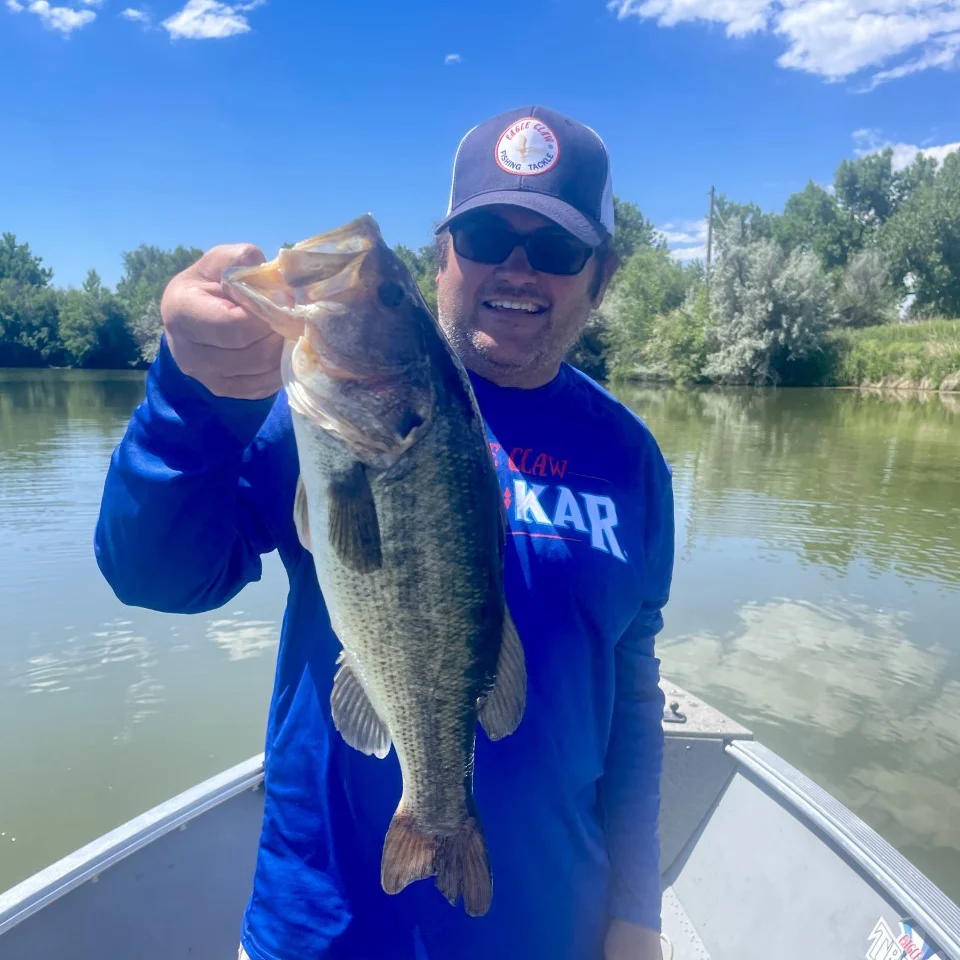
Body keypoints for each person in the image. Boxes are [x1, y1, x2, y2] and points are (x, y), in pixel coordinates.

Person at [94, 104, 675, 960]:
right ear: (443, 254)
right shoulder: (313, 419)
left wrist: (637, 910)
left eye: (555, 249)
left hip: (551, 930)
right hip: (323, 931)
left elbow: (632, 699)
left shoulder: (631, 458)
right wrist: (188, 397)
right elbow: (154, 576)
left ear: (603, 276)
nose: (517, 268)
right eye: (485, 238)